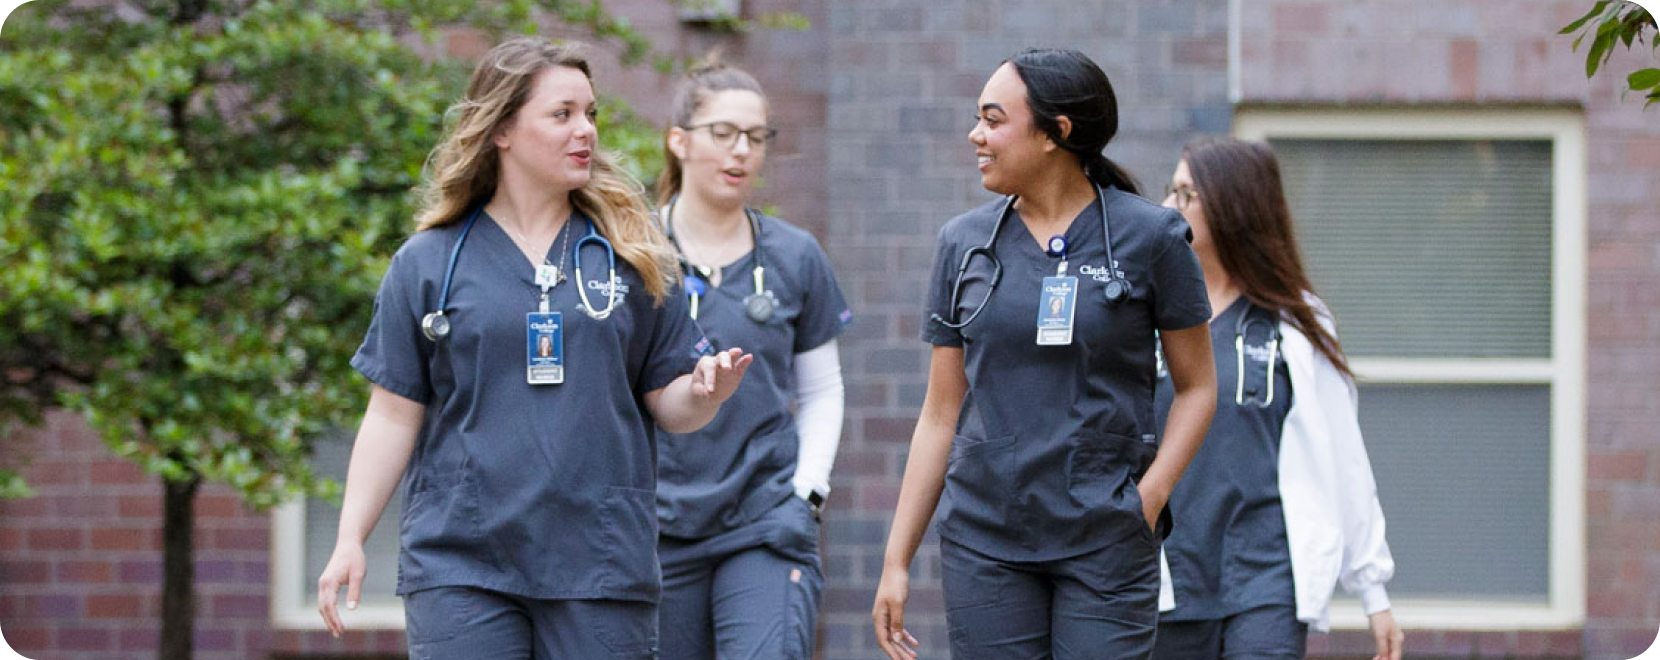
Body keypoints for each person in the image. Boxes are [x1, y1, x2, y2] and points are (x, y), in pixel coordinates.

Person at [314, 37, 753, 659]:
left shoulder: (630, 253)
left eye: (591, 114)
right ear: (502, 130)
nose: (586, 132)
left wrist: (705, 393)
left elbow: (670, 401)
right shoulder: (430, 262)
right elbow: (392, 412)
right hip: (462, 563)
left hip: (598, 565)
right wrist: (350, 537)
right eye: (562, 114)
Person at [871, 48, 1219, 660]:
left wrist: (1149, 498)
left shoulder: (1153, 239)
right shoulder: (964, 245)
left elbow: (1197, 387)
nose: (975, 135)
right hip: (986, 540)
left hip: (1107, 537)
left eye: (993, 119)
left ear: (1056, 133)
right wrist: (896, 560)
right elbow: (939, 413)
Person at [1150, 136, 1403, 660]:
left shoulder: (1293, 324)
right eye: (1170, 192)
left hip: (1266, 580)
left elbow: (1342, 457)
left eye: (1185, 194)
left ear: (1230, 206)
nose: (1166, 209)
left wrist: (1373, 589)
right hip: (1167, 578)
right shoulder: (1150, 320)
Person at [651, 57, 853, 660]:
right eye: (723, 133)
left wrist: (807, 494)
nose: (742, 151)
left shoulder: (794, 256)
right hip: (654, 532)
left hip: (765, 523)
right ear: (679, 140)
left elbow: (822, 390)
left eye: (757, 136)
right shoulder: (629, 255)